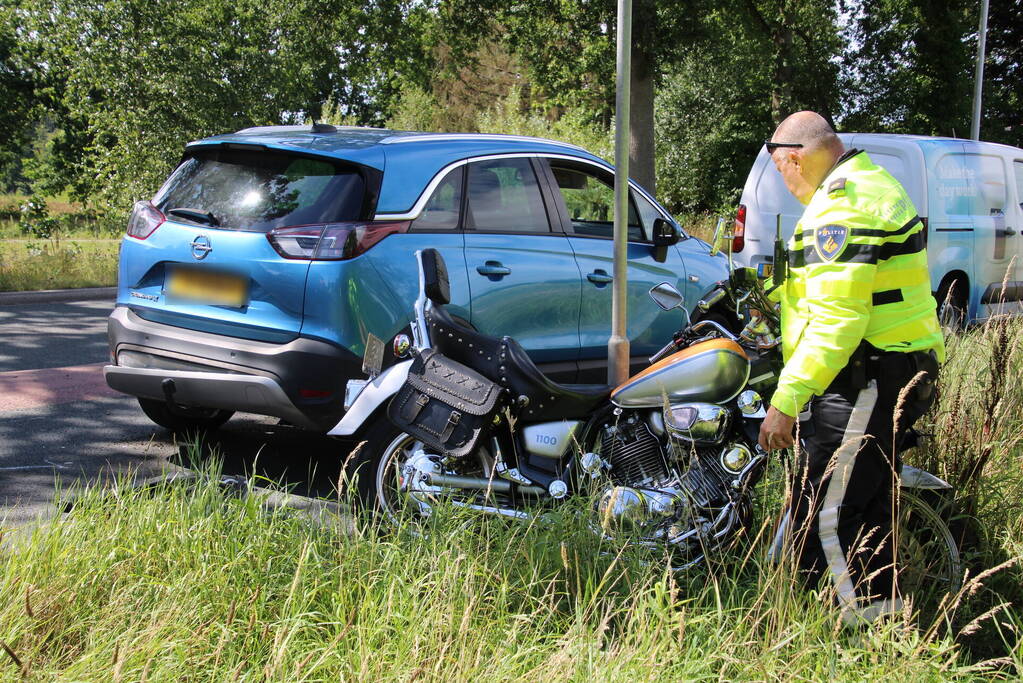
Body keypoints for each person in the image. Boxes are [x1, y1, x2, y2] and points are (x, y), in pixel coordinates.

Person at [757, 111, 945, 625]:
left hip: (867, 375)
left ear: (793, 157)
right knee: (864, 506)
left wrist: (787, 399)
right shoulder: (865, 185)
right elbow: (835, 291)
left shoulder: (840, 206)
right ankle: (882, 623)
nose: (785, 182)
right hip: (885, 369)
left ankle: (851, 637)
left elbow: (840, 320)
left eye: (780, 170)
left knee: (827, 515)